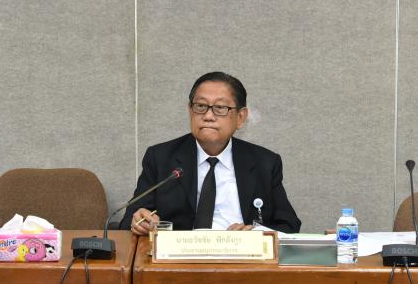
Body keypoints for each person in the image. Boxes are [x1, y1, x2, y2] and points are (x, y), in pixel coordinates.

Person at [120, 71, 300, 235]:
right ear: (190, 111)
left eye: (220, 108)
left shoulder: (265, 162)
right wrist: (139, 222)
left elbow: (289, 226)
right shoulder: (160, 157)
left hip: (241, 256)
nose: (208, 116)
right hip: (180, 256)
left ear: (240, 117)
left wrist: (254, 234)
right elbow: (128, 222)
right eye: (200, 106)